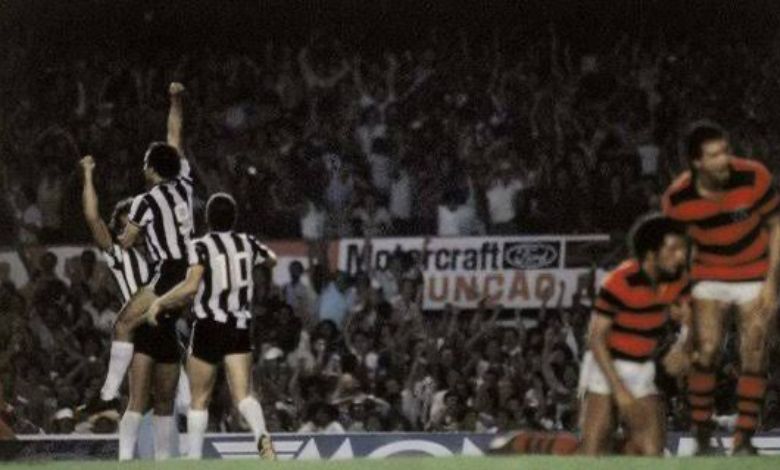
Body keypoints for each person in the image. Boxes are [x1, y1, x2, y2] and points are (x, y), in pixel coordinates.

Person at [662, 124, 780, 455]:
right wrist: (681, 301)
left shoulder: (754, 176)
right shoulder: (677, 198)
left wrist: (772, 283)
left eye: (725, 150)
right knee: (708, 349)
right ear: (696, 162)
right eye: (714, 155)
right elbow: (674, 253)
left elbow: (776, 225)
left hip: (754, 270)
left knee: (755, 349)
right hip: (709, 274)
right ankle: (701, 432)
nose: (724, 159)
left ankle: (743, 439)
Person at [83, 82, 193, 418]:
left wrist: (130, 229)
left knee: (122, 324)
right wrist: (175, 98)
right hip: (186, 275)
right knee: (156, 404)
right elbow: (175, 134)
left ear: (152, 169)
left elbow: (127, 239)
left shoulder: (147, 202)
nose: (143, 168)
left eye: (146, 164)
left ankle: (107, 393)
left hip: (170, 274)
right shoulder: (185, 181)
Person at [146, 193, 277, 460]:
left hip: (208, 326)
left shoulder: (200, 246)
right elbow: (272, 259)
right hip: (239, 326)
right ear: (234, 218)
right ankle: (262, 435)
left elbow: (191, 287)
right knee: (243, 395)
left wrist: (160, 303)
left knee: (199, 399)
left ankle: (193, 459)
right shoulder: (247, 242)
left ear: (207, 219)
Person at [80, 154, 181, 461]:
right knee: (137, 401)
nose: (134, 230)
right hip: (139, 330)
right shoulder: (120, 257)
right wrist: (87, 174)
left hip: (166, 329)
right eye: (126, 225)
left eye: (138, 224)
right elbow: (92, 218)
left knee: (164, 401)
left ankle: (164, 462)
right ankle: (124, 459)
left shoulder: (163, 256)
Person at [579, 214, 692, 456]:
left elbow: (693, 320)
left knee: (652, 452)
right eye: (672, 250)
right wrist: (619, 390)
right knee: (593, 450)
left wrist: (683, 344)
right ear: (651, 254)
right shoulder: (619, 281)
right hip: (604, 365)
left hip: (641, 366)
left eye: (682, 249)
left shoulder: (678, 280)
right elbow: (596, 338)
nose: (680, 256)